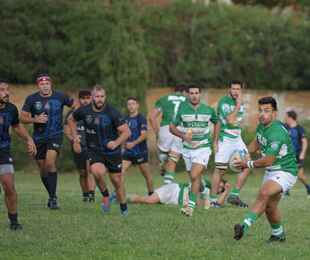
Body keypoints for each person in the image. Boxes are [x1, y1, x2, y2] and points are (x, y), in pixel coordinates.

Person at [233, 97, 297, 242]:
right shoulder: (262, 125)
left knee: (264, 193)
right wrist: (242, 153)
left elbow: (268, 160)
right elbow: (257, 142)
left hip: (285, 171)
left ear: (274, 112)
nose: (262, 114)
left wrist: (246, 163)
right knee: (270, 207)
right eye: (260, 110)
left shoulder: (277, 133)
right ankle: (278, 235)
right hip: (272, 170)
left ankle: (244, 226)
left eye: (266, 111)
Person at [68, 85, 130, 216]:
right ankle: (106, 196)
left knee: (117, 181)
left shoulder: (112, 112)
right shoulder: (84, 111)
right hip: (94, 150)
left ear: (105, 97)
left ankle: (123, 207)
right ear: (92, 97)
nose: (99, 99)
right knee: (96, 172)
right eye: (97, 96)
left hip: (112, 152)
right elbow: (70, 120)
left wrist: (116, 142)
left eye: (102, 96)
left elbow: (126, 132)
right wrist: (76, 139)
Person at [21, 74, 74, 209]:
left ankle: (53, 198)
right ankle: (52, 196)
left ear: (51, 85)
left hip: (55, 135)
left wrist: (70, 119)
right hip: (39, 138)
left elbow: (75, 106)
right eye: (42, 84)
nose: (45, 86)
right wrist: (35, 119)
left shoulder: (60, 96)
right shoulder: (32, 99)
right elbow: (22, 117)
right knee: (43, 169)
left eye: (47, 84)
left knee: (50, 163)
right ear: (38, 86)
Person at [170, 85, 218, 217]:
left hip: (203, 147)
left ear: (200, 94)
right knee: (195, 178)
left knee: (194, 175)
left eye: (196, 93)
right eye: (191, 93)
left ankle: (190, 207)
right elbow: (171, 127)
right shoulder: (182, 109)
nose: (194, 95)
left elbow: (217, 122)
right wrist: (183, 135)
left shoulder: (208, 110)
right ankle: (204, 191)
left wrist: (215, 141)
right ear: (188, 95)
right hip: (187, 149)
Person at [0, 81, 37, 230]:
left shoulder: (10, 109)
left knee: (9, 186)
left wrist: (29, 139)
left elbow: (16, 126)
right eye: (2, 90)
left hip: (3, 151)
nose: (6, 93)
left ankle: (14, 221)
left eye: (7, 90)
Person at [211, 80, 249, 208]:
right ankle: (212, 200)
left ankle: (234, 195)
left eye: (238, 89)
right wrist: (215, 141)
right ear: (229, 89)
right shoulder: (224, 102)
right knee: (220, 170)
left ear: (241, 90)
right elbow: (230, 120)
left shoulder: (241, 102)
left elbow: (238, 122)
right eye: (233, 89)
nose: (235, 91)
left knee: (247, 164)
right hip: (225, 138)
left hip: (237, 138)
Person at [149, 85, 187, 183]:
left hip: (165, 128)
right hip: (179, 129)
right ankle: (168, 183)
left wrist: (158, 133)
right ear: (184, 92)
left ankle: (162, 158)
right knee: (173, 158)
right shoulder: (187, 100)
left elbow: (152, 117)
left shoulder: (164, 99)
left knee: (164, 152)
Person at [64, 90, 96, 202]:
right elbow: (67, 130)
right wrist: (74, 141)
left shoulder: (95, 112)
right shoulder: (72, 114)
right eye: (83, 98)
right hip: (78, 146)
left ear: (91, 99)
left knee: (90, 170)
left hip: (92, 146)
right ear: (79, 99)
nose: (85, 100)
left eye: (88, 98)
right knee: (82, 173)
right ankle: (85, 194)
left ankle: (92, 194)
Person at [128, 177, 231, 208]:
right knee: (148, 201)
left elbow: (218, 205)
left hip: (175, 201)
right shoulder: (207, 184)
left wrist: (226, 191)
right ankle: (124, 197)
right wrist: (202, 190)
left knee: (150, 202)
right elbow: (198, 182)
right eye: (219, 185)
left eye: (220, 189)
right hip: (174, 191)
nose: (218, 188)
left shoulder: (211, 197)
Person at [122, 97, 154, 195]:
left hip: (140, 152)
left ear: (137, 105)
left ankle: (151, 194)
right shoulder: (125, 119)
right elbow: (123, 134)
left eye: (133, 104)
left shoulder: (141, 118)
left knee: (147, 175)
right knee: (120, 172)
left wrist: (133, 143)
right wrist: (123, 145)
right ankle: (119, 194)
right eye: (129, 104)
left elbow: (144, 135)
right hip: (128, 152)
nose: (131, 106)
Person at [284, 110, 310, 196]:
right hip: (286, 155)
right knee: (284, 172)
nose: (285, 119)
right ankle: (286, 191)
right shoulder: (285, 127)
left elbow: (304, 142)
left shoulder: (299, 129)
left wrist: (302, 153)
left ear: (291, 118)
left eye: (286, 117)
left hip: (297, 155)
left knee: (300, 175)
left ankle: (308, 187)